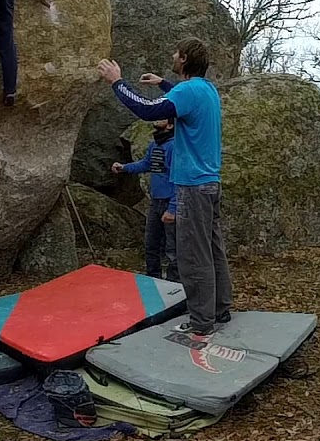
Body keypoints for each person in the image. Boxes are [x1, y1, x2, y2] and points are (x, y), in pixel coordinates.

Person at [96, 38, 230, 335]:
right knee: (213, 250)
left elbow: (147, 110)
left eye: (174, 52)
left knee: (194, 256)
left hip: (192, 187)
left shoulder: (188, 91)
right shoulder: (207, 90)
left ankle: (201, 322)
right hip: (210, 184)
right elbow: (183, 101)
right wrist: (163, 83)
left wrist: (117, 82)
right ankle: (220, 310)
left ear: (183, 59)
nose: (171, 54)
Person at [112, 118, 179, 282]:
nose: (156, 119)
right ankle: (153, 278)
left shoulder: (174, 146)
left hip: (169, 201)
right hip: (155, 202)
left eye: (162, 118)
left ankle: (174, 284)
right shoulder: (155, 144)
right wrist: (124, 167)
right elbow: (147, 164)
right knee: (151, 242)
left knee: (172, 247)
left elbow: (179, 178)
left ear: (170, 125)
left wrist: (173, 208)